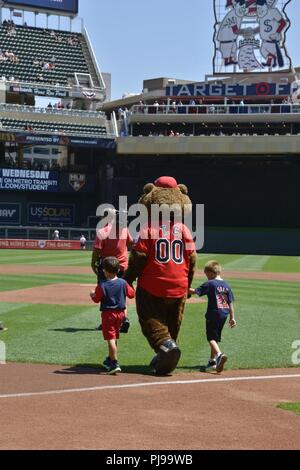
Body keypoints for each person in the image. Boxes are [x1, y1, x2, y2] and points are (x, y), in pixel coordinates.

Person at [189, 260, 237, 373]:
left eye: (206, 274)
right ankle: (212, 360)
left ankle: (219, 355)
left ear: (211, 272)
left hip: (213, 313)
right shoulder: (226, 285)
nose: (207, 277)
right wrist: (232, 318)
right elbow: (230, 303)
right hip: (224, 314)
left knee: (210, 337)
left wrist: (182, 287)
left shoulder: (210, 283)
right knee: (215, 337)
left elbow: (194, 292)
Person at [90, 257, 135, 375]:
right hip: (120, 315)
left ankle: (114, 363)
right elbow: (132, 294)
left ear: (105, 271)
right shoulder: (123, 282)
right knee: (114, 337)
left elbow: (96, 299)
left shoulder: (103, 285)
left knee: (110, 338)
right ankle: (110, 359)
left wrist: (92, 295)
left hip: (108, 314)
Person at [91, 209, 133, 331]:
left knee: (105, 294)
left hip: (107, 267)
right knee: (122, 294)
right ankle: (123, 318)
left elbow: (97, 250)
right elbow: (131, 244)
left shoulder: (103, 231)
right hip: (123, 266)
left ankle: (107, 322)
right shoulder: (124, 229)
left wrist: (93, 263)